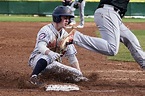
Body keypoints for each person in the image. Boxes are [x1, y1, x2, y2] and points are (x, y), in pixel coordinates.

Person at [60, 0, 145, 69]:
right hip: (108, 12)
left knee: (131, 40)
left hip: (113, 15)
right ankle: (76, 37)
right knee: (112, 48)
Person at [28, 6, 87, 86]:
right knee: (48, 57)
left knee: (76, 74)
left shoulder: (66, 36)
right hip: (37, 60)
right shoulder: (46, 30)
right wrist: (50, 53)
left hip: (53, 65)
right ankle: (33, 77)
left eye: (68, 18)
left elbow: (72, 57)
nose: (67, 20)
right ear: (57, 18)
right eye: (65, 18)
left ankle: (48, 77)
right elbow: (41, 46)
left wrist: (80, 74)